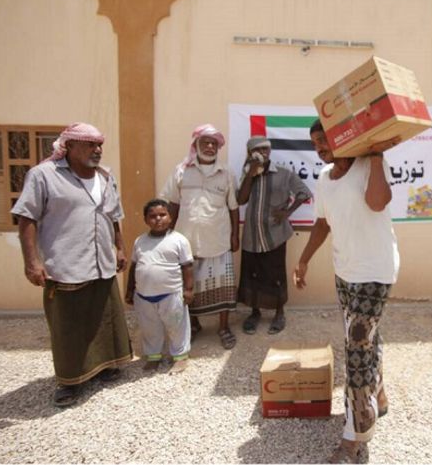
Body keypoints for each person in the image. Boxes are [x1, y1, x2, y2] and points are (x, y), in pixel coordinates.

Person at [293, 121, 400, 464]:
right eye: (314, 143)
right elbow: (323, 223)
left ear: (342, 137)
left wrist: (377, 154)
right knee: (366, 337)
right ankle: (378, 394)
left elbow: (378, 202)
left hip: (375, 272)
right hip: (344, 272)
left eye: (324, 140)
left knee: (355, 350)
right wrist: (304, 260)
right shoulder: (325, 177)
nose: (319, 147)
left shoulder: (369, 164)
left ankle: (354, 436)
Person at [11, 122, 132, 407]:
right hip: (66, 264)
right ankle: (70, 381)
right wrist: (32, 262)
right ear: (70, 146)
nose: (97, 150)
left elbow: (113, 215)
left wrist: (120, 247)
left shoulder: (105, 177)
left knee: (104, 316)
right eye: (91, 144)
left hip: (102, 262)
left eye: (100, 145)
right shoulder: (44, 175)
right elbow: (26, 218)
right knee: (68, 324)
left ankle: (106, 366)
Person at [160, 124, 240, 350]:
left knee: (223, 287)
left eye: (214, 143)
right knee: (189, 285)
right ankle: (194, 325)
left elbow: (234, 207)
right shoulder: (181, 171)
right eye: (205, 142)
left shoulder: (226, 172)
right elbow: (172, 204)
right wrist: (166, 236)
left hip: (219, 240)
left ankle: (223, 327)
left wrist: (235, 235)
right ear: (195, 145)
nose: (210, 146)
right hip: (187, 240)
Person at [236, 136, 312, 335]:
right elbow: (241, 199)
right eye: (258, 149)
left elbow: (304, 193)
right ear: (250, 153)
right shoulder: (247, 173)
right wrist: (250, 174)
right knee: (252, 275)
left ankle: (279, 313)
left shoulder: (283, 174)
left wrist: (288, 212)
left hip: (275, 235)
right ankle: (254, 313)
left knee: (275, 274)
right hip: (252, 235)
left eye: (266, 149)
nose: (263, 153)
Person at [125, 199, 194, 373]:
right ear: (146, 220)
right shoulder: (140, 241)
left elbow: (187, 266)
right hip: (144, 295)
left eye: (162, 215)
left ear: (170, 217)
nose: (158, 219)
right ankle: (153, 356)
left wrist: (188, 290)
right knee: (150, 328)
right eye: (153, 216)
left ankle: (180, 357)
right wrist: (130, 289)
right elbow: (134, 266)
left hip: (171, 294)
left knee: (176, 326)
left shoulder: (178, 240)